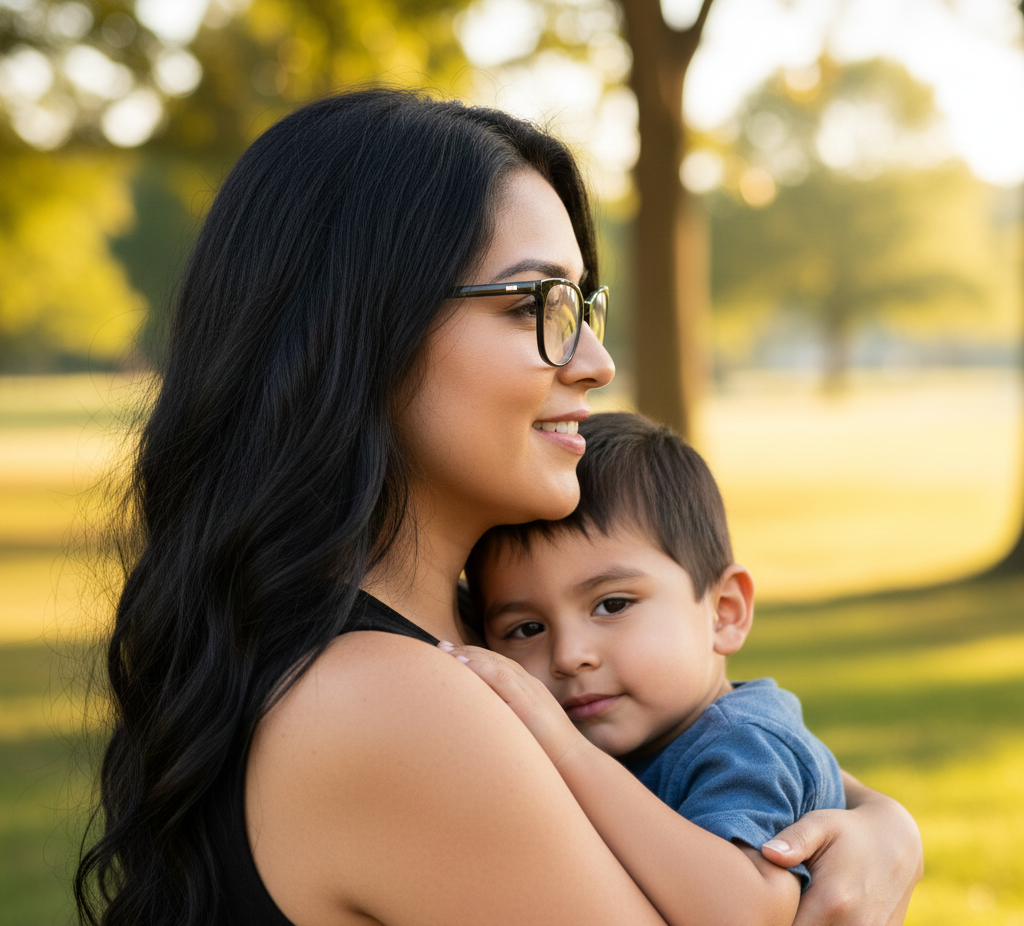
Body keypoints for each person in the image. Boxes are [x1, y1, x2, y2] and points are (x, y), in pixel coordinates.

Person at [75, 88, 922, 926]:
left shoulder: (478, 640)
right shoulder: (394, 706)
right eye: (532, 306)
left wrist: (883, 824)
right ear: (361, 329)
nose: (595, 361)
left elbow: (720, 748)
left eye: (584, 306)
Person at [447, 411, 848, 926]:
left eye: (612, 605)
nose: (569, 655)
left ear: (724, 612)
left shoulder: (745, 745)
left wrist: (564, 748)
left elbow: (745, 912)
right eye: (526, 629)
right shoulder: (648, 737)